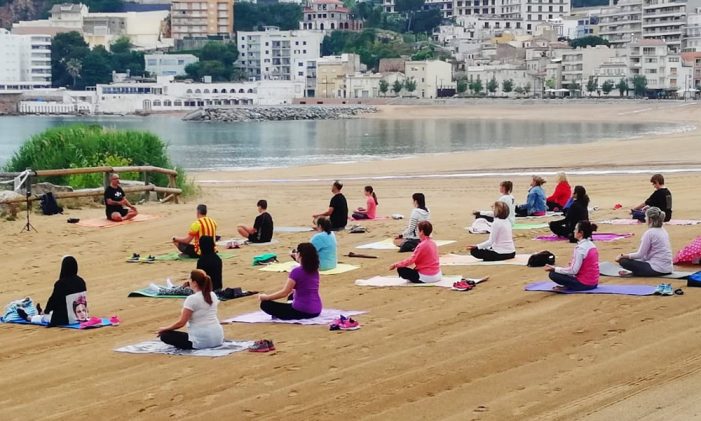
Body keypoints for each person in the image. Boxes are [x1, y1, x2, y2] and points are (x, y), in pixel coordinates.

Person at [157, 269, 224, 350]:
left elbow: (181, 323)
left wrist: (165, 329)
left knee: (165, 335)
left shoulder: (192, 299)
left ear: (195, 283)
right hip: (218, 338)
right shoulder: (212, 295)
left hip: (201, 341)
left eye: (190, 279)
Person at [16, 256, 87, 327]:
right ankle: (41, 313)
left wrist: (46, 311)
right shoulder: (81, 281)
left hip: (64, 319)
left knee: (45, 318)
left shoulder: (61, 283)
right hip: (80, 317)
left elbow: (53, 300)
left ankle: (28, 317)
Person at [259, 243, 322, 320]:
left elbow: (284, 292)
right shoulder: (315, 270)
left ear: (299, 254)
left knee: (265, 304)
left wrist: (266, 297)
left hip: (302, 311)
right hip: (317, 309)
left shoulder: (296, 271)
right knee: (292, 295)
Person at [616, 207, 673, 277]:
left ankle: (634, 272)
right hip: (668, 268)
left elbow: (640, 255)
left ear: (650, 219)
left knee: (624, 261)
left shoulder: (650, 233)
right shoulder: (663, 231)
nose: (645, 219)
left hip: (656, 268)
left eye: (646, 217)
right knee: (634, 257)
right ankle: (633, 272)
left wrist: (624, 256)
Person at [545, 221, 600, 291]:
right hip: (593, 282)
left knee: (553, 274)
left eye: (576, 229)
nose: (574, 231)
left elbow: (573, 271)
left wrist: (554, 269)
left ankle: (570, 287)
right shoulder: (591, 245)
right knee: (564, 270)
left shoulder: (581, 248)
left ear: (581, 233)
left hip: (584, 284)